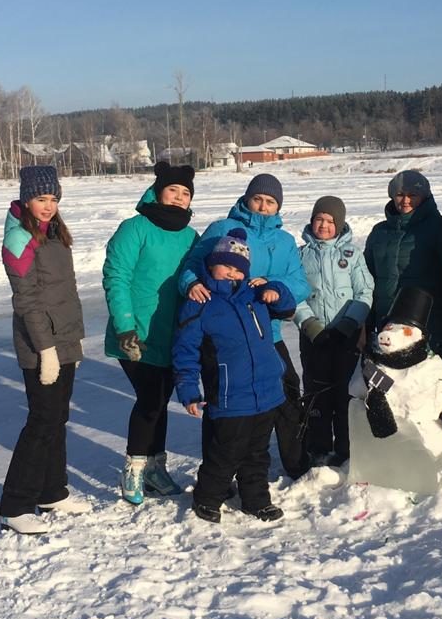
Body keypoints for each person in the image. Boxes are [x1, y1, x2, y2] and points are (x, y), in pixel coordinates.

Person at [178, 174, 311, 479]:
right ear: (247, 198)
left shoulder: (284, 241)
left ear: (278, 206)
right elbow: (191, 266)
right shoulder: (221, 228)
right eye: (258, 199)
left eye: (270, 202)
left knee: (288, 393)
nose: (263, 206)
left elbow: (300, 284)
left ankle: (297, 464)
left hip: (266, 335)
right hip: (222, 338)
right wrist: (191, 284)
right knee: (220, 405)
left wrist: (273, 285)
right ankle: (219, 478)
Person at [173, 229, 295, 523]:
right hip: (230, 395)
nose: (231, 273)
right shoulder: (200, 302)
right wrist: (188, 391)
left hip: (267, 391)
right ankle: (207, 497)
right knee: (226, 452)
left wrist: (275, 289)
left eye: (238, 269)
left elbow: (287, 307)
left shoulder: (254, 294)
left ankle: (256, 500)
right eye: (225, 265)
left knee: (258, 453)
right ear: (211, 264)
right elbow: (185, 350)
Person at [0, 165, 90, 535]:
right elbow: (28, 302)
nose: (48, 205)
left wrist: (74, 339)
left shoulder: (54, 233)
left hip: (63, 339)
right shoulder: (19, 239)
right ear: (26, 200)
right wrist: (47, 349)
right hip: (40, 345)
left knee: (57, 418)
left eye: (53, 198)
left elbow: (66, 292)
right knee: (42, 421)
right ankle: (15, 505)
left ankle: (52, 491)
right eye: (41, 198)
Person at [103, 160, 199, 505]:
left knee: (159, 401)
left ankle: (156, 468)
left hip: (173, 335)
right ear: (158, 192)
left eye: (185, 192)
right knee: (151, 400)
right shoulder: (135, 228)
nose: (179, 197)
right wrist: (125, 326)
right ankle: (134, 467)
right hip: (137, 335)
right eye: (173, 190)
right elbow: (116, 276)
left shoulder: (191, 237)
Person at [293, 195, 373, 466]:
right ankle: (318, 447)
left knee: (345, 393)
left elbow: (365, 292)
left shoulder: (352, 255)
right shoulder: (300, 255)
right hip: (313, 337)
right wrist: (310, 325)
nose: (324, 225)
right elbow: (294, 294)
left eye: (330, 221)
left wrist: (348, 325)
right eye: (319, 219)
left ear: (339, 224)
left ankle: (346, 448)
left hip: (345, 337)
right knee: (317, 393)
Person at [363, 169, 442, 363]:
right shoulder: (379, 232)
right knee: (393, 379)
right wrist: (367, 322)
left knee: (428, 377)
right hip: (388, 322)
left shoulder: (440, 227)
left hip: (429, 323)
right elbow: (367, 278)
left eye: (412, 195)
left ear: (424, 196)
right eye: (400, 194)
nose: (405, 200)